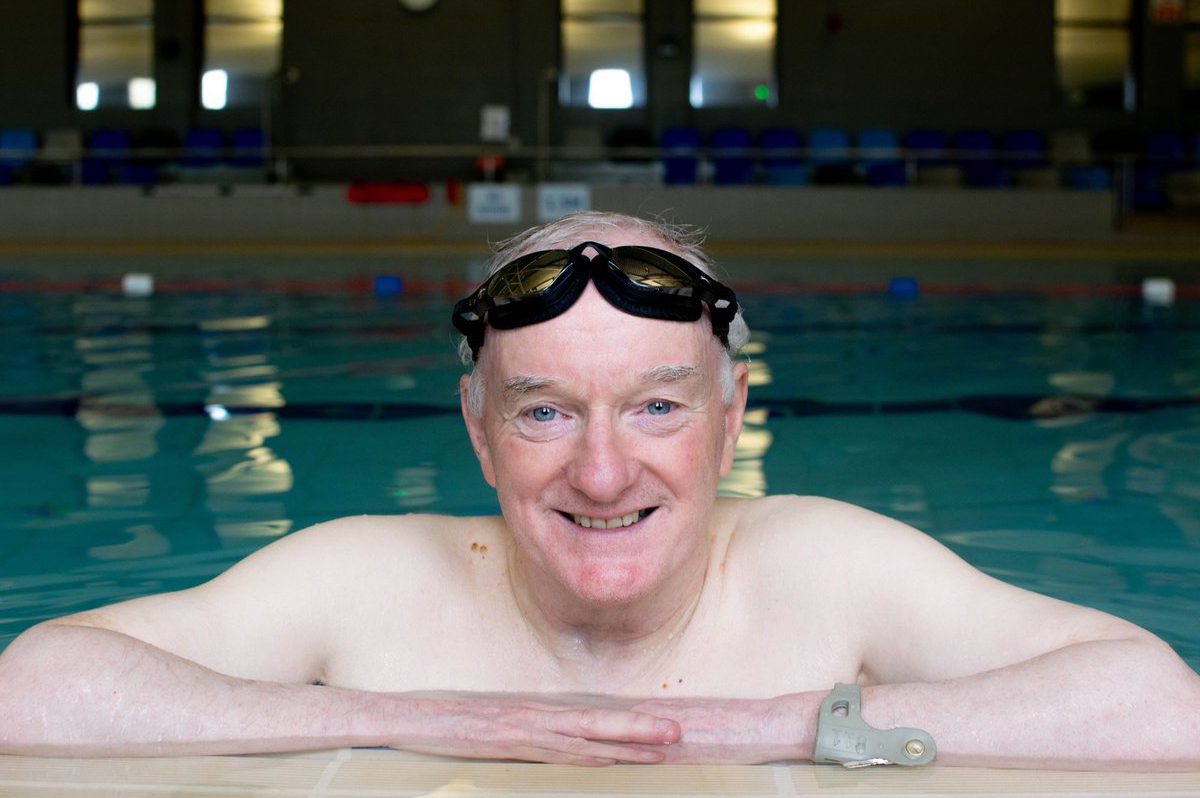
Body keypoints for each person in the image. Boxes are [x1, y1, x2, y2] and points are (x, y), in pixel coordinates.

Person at [1, 210, 1198, 768]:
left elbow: (1161, 706)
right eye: (544, 409)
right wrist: (424, 714)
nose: (604, 469)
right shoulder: (366, 577)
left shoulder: (827, 567)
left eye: (657, 404)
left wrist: (766, 724)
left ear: (730, 423)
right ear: (478, 432)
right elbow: (36, 684)